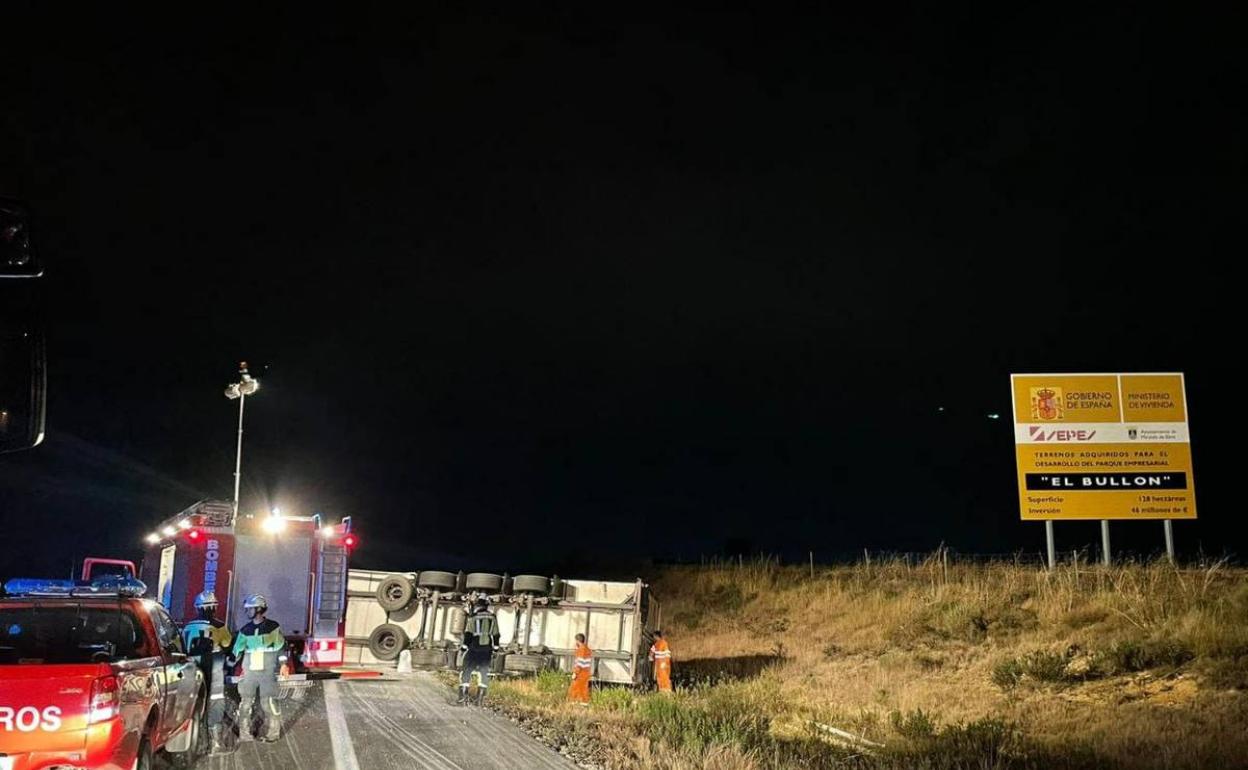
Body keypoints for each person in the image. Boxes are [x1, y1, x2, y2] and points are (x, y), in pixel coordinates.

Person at [182, 591, 233, 752]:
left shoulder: (187, 626)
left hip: (191, 666)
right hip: (214, 665)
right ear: (214, 607)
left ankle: (192, 742)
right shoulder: (219, 626)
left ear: (197, 608)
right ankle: (215, 743)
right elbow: (227, 644)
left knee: (193, 701)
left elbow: (180, 646)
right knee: (215, 700)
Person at [231, 594, 286, 742]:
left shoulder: (273, 627)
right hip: (249, 671)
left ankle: (274, 732)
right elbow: (237, 651)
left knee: (267, 701)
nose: (247, 612)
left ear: (259, 609)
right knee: (246, 703)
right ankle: (244, 733)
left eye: (250, 609)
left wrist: (283, 664)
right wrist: (229, 664)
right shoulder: (245, 630)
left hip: (267, 671)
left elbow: (281, 647)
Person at [458, 598, 499, 705]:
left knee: (466, 670)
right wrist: (496, 649)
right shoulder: (493, 617)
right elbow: (496, 634)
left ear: (478, 606)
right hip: (487, 649)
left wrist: (463, 648)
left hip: (474, 648)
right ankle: (479, 700)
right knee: (484, 672)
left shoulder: (473, 618)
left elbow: (468, 634)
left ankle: (463, 698)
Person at [567, 633, 592, 704]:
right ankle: (584, 703)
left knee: (574, 688)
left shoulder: (581, 650)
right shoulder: (588, 650)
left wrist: (575, 673)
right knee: (583, 689)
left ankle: (573, 703)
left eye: (576, 641)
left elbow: (580, 663)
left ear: (578, 641)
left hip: (580, 673)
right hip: (586, 672)